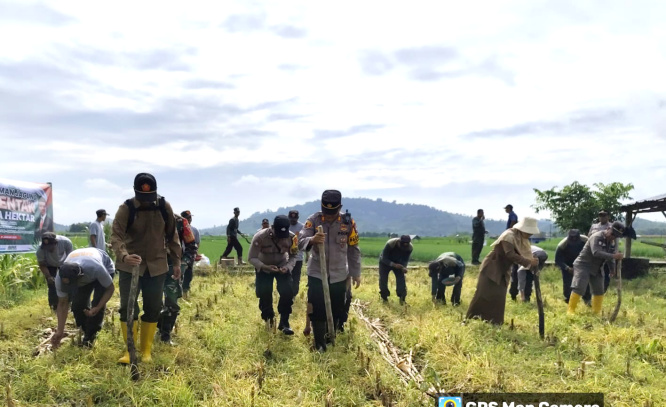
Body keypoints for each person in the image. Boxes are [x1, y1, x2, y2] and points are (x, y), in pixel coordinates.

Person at [111, 173, 181, 364]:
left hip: (157, 265)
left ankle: (146, 351)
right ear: (135, 193)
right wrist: (124, 255)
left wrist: (176, 262)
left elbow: (172, 236)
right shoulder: (126, 209)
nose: (146, 202)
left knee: (154, 306)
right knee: (128, 307)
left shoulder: (164, 207)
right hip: (130, 266)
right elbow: (116, 236)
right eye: (142, 198)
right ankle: (129, 350)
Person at [298, 190, 361, 352]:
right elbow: (300, 240)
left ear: (339, 207)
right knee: (317, 307)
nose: (330, 216)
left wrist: (355, 272)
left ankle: (329, 336)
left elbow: (353, 248)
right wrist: (312, 240)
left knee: (337, 307)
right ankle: (319, 343)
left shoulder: (348, 223)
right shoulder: (313, 220)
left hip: (339, 274)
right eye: (327, 212)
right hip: (317, 273)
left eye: (333, 212)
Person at [466, 217, 540, 325]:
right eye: (529, 232)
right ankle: (471, 319)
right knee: (482, 294)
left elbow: (525, 254)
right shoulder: (509, 235)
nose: (530, 235)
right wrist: (529, 262)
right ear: (523, 229)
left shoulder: (521, 239)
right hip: (492, 267)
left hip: (503, 270)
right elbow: (510, 254)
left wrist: (532, 262)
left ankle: (494, 322)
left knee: (498, 297)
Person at [49, 248, 115, 348]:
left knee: (97, 303)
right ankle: (85, 330)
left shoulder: (96, 268)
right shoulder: (60, 277)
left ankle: (91, 336)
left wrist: (97, 307)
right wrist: (60, 330)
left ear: (80, 277)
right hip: (82, 267)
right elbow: (62, 303)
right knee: (77, 305)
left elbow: (110, 288)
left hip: (104, 267)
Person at [248, 215, 298, 334]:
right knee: (264, 293)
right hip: (264, 267)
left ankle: (284, 322)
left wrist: (287, 267)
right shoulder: (260, 237)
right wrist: (265, 267)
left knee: (287, 291)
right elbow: (251, 258)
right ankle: (269, 319)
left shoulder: (292, 238)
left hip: (282, 266)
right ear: (273, 227)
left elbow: (294, 256)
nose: (280, 239)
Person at [567, 221, 625, 316]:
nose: (613, 236)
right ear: (608, 229)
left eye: (616, 236)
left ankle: (596, 312)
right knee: (579, 287)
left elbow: (610, 257)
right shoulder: (596, 237)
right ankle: (570, 311)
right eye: (612, 233)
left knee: (599, 290)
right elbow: (596, 252)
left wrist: (612, 269)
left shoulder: (611, 243)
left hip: (597, 267)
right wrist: (614, 256)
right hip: (583, 264)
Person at [158, 213, 197, 344]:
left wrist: (184, 263)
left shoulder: (181, 222)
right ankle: (157, 328)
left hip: (173, 267)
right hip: (151, 267)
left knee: (171, 302)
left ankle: (165, 335)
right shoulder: (146, 218)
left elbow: (192, 246)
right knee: (153, 302)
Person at [36, 232, 73, 311]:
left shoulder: (66, 242)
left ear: (56, 242)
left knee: (67, 282)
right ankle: (54, 306)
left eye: (50, 246)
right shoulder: (40, 250)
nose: (48, 249)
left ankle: (69, 303)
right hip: (49, 265)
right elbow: (42, 264)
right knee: (52, 284)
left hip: (65, 263)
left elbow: (71, 257)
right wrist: (48, 276)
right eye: (46, 247)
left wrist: (67, 272)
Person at [555, 229, 591, 305]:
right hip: (567, 265)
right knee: (568, 284)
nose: (574, 240)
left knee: (585, 282)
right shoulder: (562, 245)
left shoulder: (586, 240)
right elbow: (558, 260)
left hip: (582, 263)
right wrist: (567, 268)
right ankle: (569, 301)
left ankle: (587, 300)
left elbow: (591, 252)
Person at [378, 235, 413, 305]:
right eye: (402, 245)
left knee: (401, 280)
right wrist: (393, 265)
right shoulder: (390, 243)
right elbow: (383, 258)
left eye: (406, 245)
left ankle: (402, 299)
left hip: (398, 264)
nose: (404, 247)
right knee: (383, 279)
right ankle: (384, 298)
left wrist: (404, 267)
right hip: (385, 263)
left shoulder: (409, 248)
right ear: (399, 242)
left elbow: (405, 260)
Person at [588, 210, 612, 292]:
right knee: (593, 272)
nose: (602, 217)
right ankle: (593, 290)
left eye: (604, 215)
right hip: (594, 252)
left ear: (608, 216)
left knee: (605, 271)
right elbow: (589, 237)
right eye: (600, 215)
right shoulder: (594, 226)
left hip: (606, 252)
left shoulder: (611, 227)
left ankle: (603, 289)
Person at [180, 210, 199, 298]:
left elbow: (197, 243)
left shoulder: (194, 230)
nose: (189, 219)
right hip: (179, 254)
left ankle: (185, 291)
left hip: (189, 255)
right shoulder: (178, 228)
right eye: (187, 218)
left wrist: (193, 254)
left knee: (188, 273)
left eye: (190, 218)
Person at [288, 210, 305, 297]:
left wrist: (308, 254)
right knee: (287, 276)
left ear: (298, 218)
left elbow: (306, 240)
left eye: (294, 219)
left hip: (298, 257)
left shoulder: (302, 227)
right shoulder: (285, 226)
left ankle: (293, 294)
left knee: (296, 277)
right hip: (286, 257)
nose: (292, 221)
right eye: (291, 219)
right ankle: (287, 294)